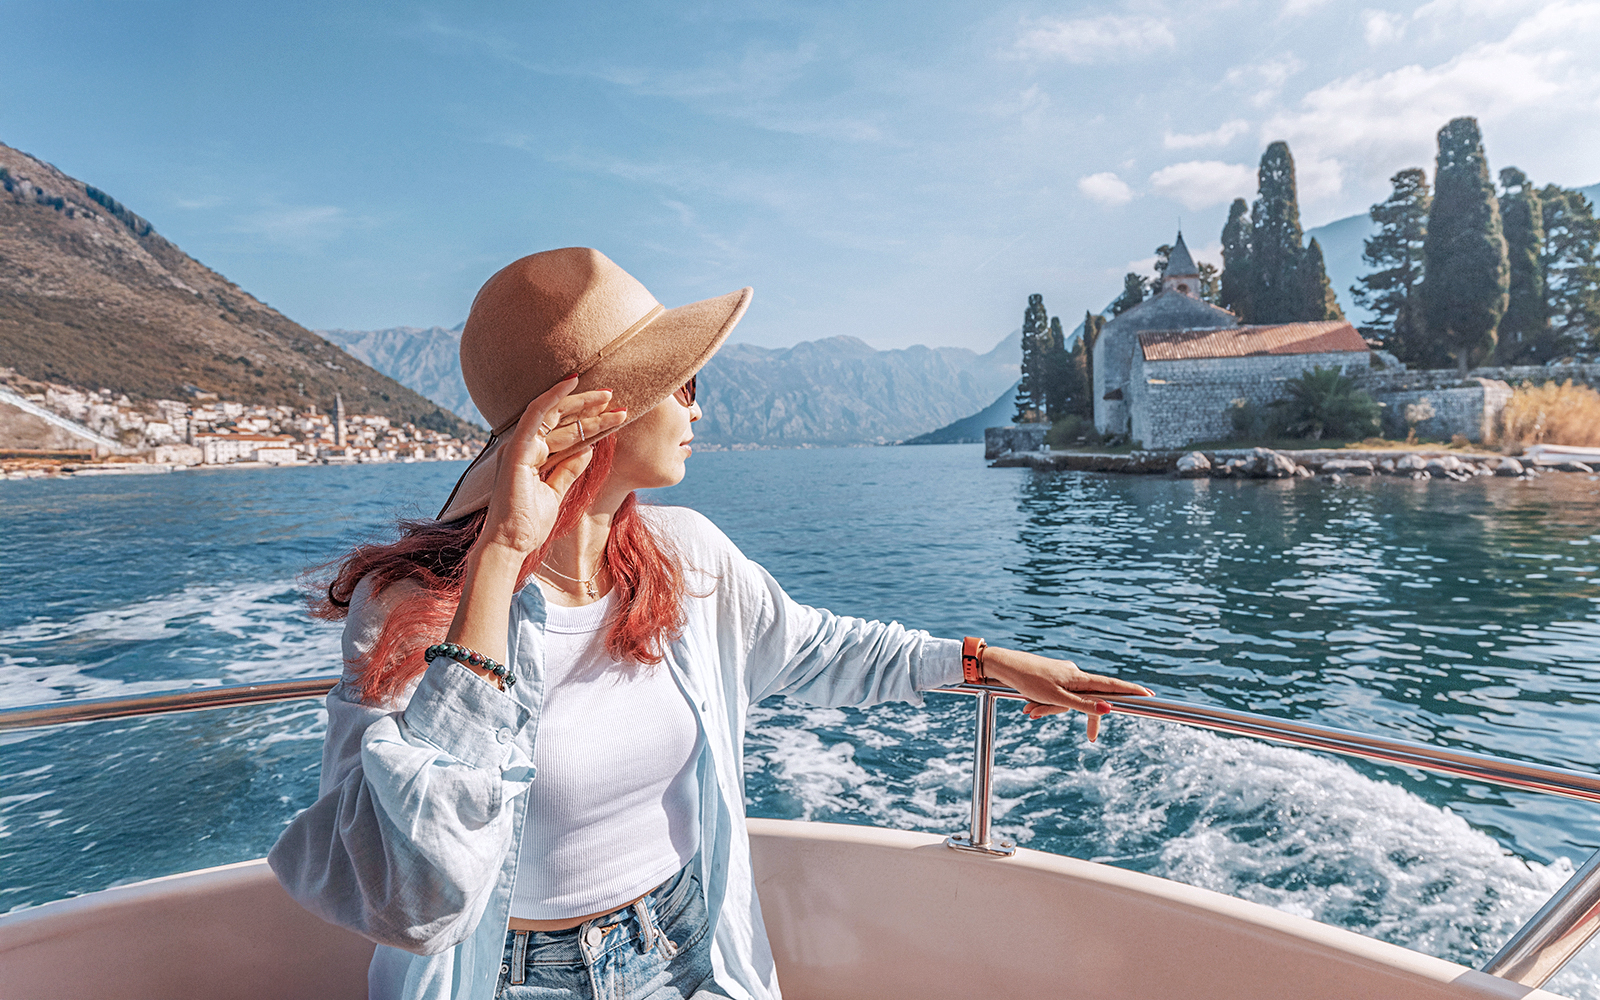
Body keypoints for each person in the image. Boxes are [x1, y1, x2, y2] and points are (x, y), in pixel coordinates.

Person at [269, 248, 1151, 1000]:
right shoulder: (409, 613)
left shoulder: (686, 558)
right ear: (598, 415)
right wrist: (500, 558)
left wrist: (988, 661)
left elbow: (816, 648)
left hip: (681, 949)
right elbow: (416, 894)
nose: (699, 407)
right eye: (682, 383)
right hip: (505, 976)